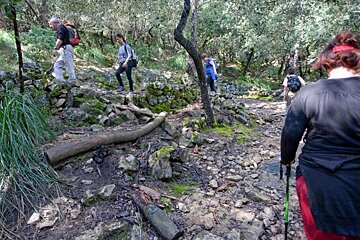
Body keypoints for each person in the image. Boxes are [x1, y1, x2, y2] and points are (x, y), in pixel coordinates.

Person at [281, 30, 360, 240]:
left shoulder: (308, 94)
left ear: (326, 64)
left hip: (315, 180)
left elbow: (290, 135)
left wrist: (286, 160)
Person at [49, 17, 76, 85]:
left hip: (65, 49)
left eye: (51, 24)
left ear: (55, 23)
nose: (50, 26)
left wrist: (55, 49)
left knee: (69, 65)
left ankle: (72, 81)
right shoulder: (62, 27)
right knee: (57, 65)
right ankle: (60, 81)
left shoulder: (60, 28)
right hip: (66, 49)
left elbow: (60, 39)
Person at [115, 33, 136, 98]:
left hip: (129, 62)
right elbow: (119, 57)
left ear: (121, 38)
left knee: (128, 74)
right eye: (116, 40)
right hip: (123, 63)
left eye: (118, 39)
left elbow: (129, 55)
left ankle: (131, 90)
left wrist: (126, 62)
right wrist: (119, 63)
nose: (117, 41)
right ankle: (121, 86)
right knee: (117, 73)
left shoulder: (126, 46)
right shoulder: (120, 48)